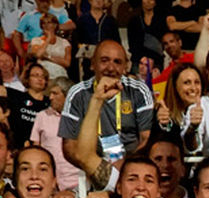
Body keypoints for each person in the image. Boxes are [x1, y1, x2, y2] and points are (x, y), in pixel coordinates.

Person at [60, 41, 154, 174]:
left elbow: (147, 139)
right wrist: (99, 169)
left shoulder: (138, 91)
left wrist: (124, 167)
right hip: (93, 169)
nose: (111, 68)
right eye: (104, 61)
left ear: (125, 67)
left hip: (132, 167)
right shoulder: (77, 94)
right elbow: (69, 148)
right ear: (93, 64)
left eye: (117, 62)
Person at [29, 77, 78, 190]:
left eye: (55, 93)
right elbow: (36, 150)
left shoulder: (80, 118)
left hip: (77, 181)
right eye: (50, 93)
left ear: (67, 96)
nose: (50, 97)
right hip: (50, 180)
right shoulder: (42, 116)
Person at [157, 63, 203, 136]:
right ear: (175, 86)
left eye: (197, 82)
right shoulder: (163, 113)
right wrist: (165, 125)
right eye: (187, 83)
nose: (193, 88)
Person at [27, 12, 73, 80]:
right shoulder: (36, 40)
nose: (46, 25)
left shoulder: (64, 42)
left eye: (49, 22)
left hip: (60, 75)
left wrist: (47, 57)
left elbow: (67, 63)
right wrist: (48, 39)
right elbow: (38, 55)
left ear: (55, 25)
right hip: (43, 76)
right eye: (43, 23)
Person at [127, 0, 168, 73]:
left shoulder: (161, 19)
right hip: (138, 61)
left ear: (155, 2)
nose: (148, 1)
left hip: (157, 61)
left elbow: (163, 41)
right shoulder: (134, 20)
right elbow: (132, 44)